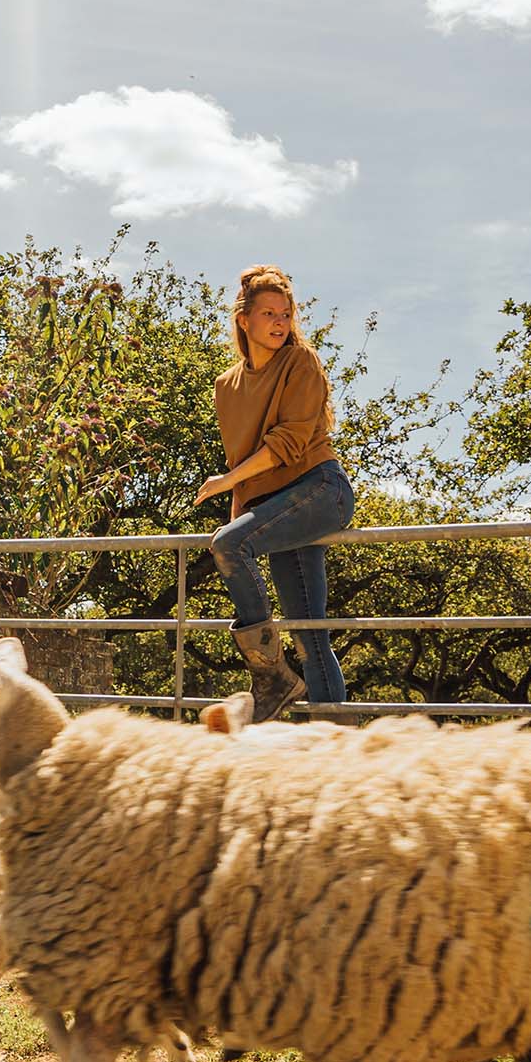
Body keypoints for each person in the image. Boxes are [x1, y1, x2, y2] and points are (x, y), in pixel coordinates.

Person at [194, 265, 353, 722]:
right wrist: (235, 504)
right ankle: (334, 740)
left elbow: (288, 442)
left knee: (229, 544)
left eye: (286, 313)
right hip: (276, 507)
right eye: (269, 313)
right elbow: (240, 464)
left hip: (321, 491)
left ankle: (271, 676)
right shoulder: (227, 386)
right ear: (244, 320)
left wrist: (228, 495)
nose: (280, 322)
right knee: (308, 633)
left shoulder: (300, 362)